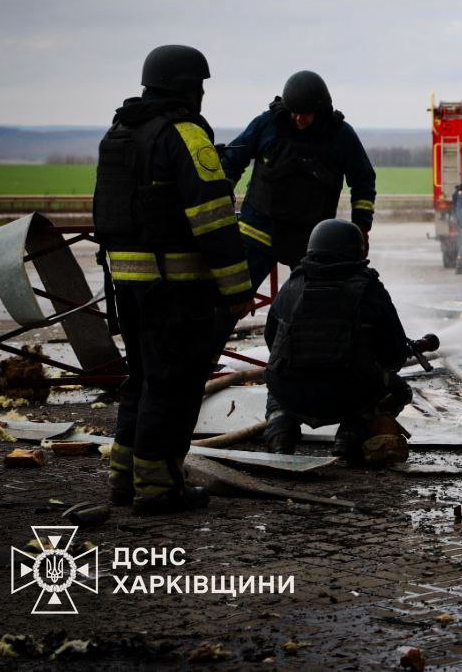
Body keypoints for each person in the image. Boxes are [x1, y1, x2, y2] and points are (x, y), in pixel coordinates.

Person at [93, 44, 253, 515]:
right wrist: (238, 289)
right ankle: (159, 488)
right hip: (176, 286)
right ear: (188, 88)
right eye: (199, 86)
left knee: (140, 380)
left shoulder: (119, 132)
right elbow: (214, 220)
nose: (202, 94)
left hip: (126, 281)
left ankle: (124, 479)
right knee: (174, 384)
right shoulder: (184, 135)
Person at [215, 70, 376, 450]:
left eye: (306, 114)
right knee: (226, 302)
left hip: (312, 243)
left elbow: (363, 179)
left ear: (320, 109)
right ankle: (201, 367)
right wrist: (222, 202)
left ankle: (302, 377)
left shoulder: (340, 135)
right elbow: (232, 160)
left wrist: (360, 227)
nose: (299, 120)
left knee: (311, 312)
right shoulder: (268, 124)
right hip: (257, 233)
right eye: (294, 113)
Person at [263, 219, 434, 463]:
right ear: (358, 251)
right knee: (399, 391)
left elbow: (273, 343)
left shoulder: (292, 284)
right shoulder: (369, 289)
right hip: (347, 395)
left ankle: (280, 435)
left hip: (292, 394)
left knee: (276, 383)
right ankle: (351, 435)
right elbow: (393, 356)